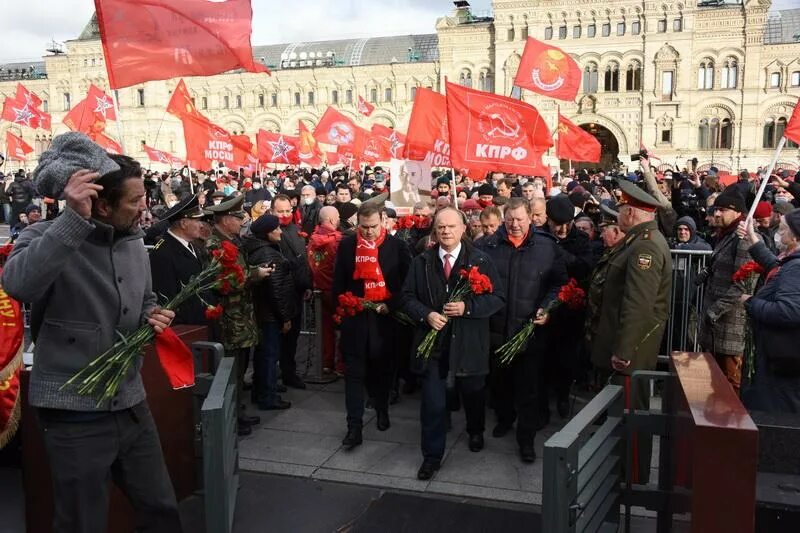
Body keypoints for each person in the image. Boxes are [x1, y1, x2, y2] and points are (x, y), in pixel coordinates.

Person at [2, 133, 182, 532]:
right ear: (101, 203)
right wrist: (72, 219)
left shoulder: (134, 242)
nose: (143, 209)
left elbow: (146, 298)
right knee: (82, 522)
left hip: (131, 404)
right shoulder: (40, 237)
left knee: (161, 510)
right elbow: (18, 285)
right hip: (73, 412)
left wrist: (153, 317)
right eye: (134, 201)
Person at [403, 207, 504, 480]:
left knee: (472, 391)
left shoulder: (480, 261)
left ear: (463, 229)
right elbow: (407, 297)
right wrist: (427, 315)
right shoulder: (421, 262)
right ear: (435, 231)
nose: (446, 231)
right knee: (433, 403)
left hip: (469, 343)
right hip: (434, 344)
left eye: (451, 226)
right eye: (441, 227)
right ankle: (431, 457)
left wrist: (467, 307)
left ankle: (475, 430)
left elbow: (497, 298)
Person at [586, 178, 671, 484]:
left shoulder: (643, 247)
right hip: (633, 347)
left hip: (631, 351)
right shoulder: (643, 241)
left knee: (630, 413)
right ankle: (625, 470)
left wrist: (623, 352)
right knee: (626, 412)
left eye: (621, 209)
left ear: (632, 214)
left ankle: (631, 475)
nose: (618, 215)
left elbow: (637, 305)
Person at [478, 197, 568, 463]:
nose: (514, 225)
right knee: (500, 384)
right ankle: (504, 419)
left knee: (528, 389)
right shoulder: (487, 245)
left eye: (519, 219)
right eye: (510, 220)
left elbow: (560, 284)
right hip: (496, 330)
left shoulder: (547, 247)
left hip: (529, 332)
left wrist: (547, 307)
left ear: (531, 218)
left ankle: (526, 439)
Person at [332, 202, 412, 450]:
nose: (368, 232)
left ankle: (382, 409)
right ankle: (354, 427)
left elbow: (407, 285)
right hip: (355, 321)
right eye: (363, 227)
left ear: (384, 222)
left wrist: (392, 304)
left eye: (373, 227)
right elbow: (338, 283)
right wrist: (344, 307)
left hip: (384, 321)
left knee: (382, 371)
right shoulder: (347, 246)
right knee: (354, 375)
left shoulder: (397, 247)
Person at [205, 195, 269, 436]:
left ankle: (238, 411)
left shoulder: (231, 240)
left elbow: (239, 271)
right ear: (224, 220)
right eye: (237, 217)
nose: (242, 220)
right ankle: (231, 416)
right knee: (230, 369)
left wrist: (254, 271)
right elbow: (223, 281)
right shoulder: (215, 245)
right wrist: (254, 276)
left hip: (241, 314)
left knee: (240, 368)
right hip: (230, 316)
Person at [737, 213, 800, 413]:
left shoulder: (796, 267)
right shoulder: (791, 263)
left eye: (782, 229)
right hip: (779, 358)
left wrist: (751, 303)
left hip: (781, 362)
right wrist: (753, 239)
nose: (778, 233)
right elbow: (776, 266)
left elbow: (788, 311)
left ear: (796, 237)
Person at [543, 195, 597, 421]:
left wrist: (560, 254)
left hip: (570, 311)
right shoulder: (541, 235)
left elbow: (585, 267)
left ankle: (563, 396)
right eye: (557, 224)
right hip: (544, 308)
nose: (562, 229)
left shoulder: (581, 240)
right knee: (543, 360)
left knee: (566, 359)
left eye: (567, 224)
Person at [699, 189, 757, 393]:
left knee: (731, 387)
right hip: (716, 326)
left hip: (730, 325)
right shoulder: (727, 236)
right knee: (715, 385)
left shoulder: (744, 239)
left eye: (721, 210)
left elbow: (740, 284)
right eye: (715, 209)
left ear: (736, 212)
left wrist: (714, 311)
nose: (716, 214)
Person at [242, 214, 293, 411]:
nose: (280, 232)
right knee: (269, 356)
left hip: (264, 313)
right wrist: (284, 318)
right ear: (266, 233)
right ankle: (267, 396)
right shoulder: (268, 254)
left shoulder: (261, 248)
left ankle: (262, 390)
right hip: (270, 315)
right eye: (276, 229)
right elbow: (276, 290)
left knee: (265, 356)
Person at [271, 194, 313, 389]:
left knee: (292, 338)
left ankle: (289, 372)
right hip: (280, 294)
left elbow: (303, 261)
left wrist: (307, 285)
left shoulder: (295, 231)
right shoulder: (270, 233)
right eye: (280, 211)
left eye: (288, 211)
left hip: (297, 292)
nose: (285, 215)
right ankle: (272, 376)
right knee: (278, 339)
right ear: (272, 212)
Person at [148, 194, 210, 326]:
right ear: (183, 223)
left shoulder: (191, 244)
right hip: (185, 328)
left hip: (200, 323)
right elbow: (166, 300)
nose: (202, 226)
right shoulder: (163, 253)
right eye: (198, 221)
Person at [307, 206, 344, 374]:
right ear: (331, 220)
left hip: (318, 289)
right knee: (343, 329)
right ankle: (341, 365)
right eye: (337, 218)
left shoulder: (312, 239)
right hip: (336, 290)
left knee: (325, 330)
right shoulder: (337, 241)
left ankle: (326, 362)